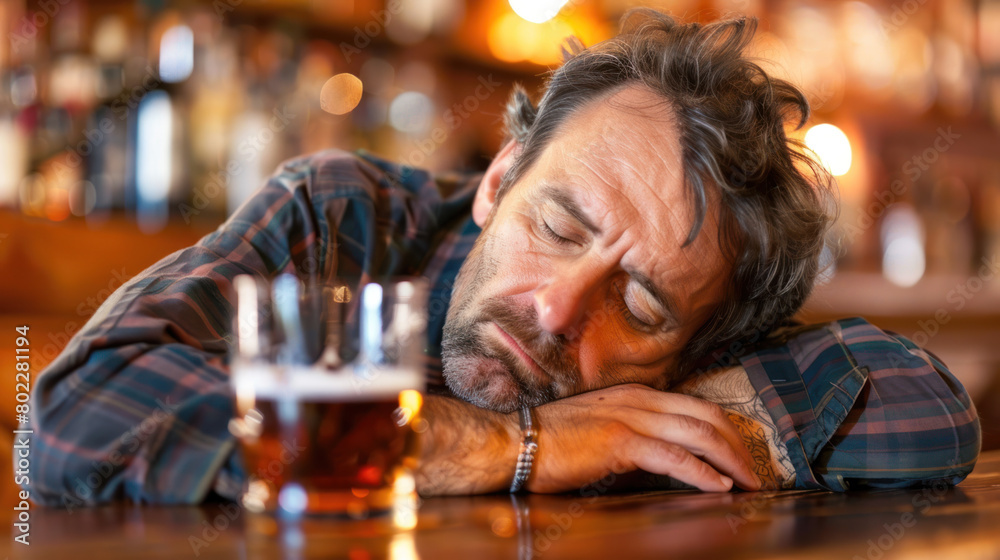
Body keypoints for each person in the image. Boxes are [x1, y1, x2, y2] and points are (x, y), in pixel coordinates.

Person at [29, 10, 980, 506]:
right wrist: (520, 445)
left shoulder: (706, 345)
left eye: (642, 306)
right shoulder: (345, 218)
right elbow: (80, 412)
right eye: (559, 227)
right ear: (500, 180)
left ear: (700, 344)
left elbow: (928, 410)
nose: (561, 309)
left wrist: (656, 418)